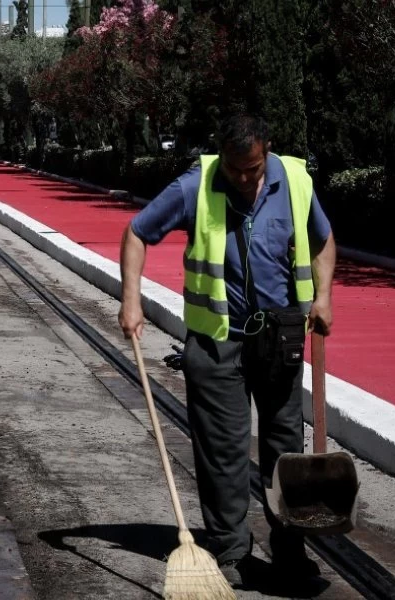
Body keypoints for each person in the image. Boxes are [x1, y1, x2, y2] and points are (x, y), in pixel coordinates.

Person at [117, 114, 336, 587]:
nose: (243, 179)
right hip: (217, 342)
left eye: (252, 169)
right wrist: (130, 299)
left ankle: (289, 552)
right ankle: (231, 550)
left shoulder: (295, 180)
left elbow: (322, 240)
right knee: (223, 453)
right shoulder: (195, 185)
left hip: (280, 339)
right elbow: (137, 232)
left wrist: (323, 297)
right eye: (235, 169)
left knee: (284, 450)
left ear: (267, 152)